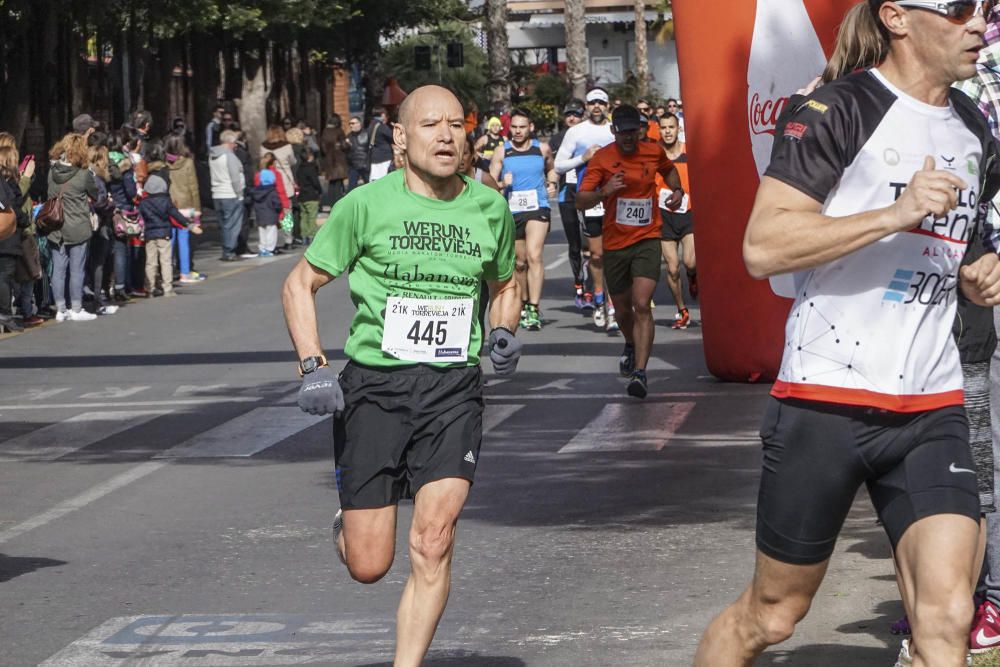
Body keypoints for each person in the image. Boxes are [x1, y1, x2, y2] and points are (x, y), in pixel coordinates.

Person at [694, 3, 1000, 665]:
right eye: (958, 9)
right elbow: (763, 246)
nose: (979, 24)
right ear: (896, 17)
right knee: (773, 616)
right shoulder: (837, 111)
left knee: (947, 616)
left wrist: (979, 269)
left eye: (986, 9)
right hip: (823, 400)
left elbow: (960, 243)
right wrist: (896, 210)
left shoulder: (976, 126)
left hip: (930, 405)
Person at [282, 84, 522, 667]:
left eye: (456, 126)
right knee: (369, 565)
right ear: (401, 137)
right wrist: (314, 365)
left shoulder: (489, 207)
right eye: (430, 125)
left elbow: (505, 283)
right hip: (376, 389)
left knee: (434, 540)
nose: (445, 135)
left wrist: (504, 329)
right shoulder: (364, 205)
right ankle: (350, 517)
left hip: (452, 391)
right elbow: (299, 284)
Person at [576, 105, 682, 399]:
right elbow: (580, 201)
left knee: (641, 303)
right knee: (622, 309)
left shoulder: (652, 151)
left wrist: (678, 190)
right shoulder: (602, 159)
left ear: (640, 130)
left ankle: (640, 372)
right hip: (615, 244)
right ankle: (631, 342)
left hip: (647, 237)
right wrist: (604, 191)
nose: (627, 137)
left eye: (632, 131)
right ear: (614, 132)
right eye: (622, 132)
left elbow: (669, 170)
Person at [490, 108, 558, 331]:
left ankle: (534, 308)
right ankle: (523, 302)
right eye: (514, 127)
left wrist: (552, 183)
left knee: (534, 255)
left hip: (538, 206)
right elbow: (490, 183)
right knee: (519, 264)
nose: (518, 131)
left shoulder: (542, 149)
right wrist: (502, 184)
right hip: (512, 209)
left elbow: (552, 169)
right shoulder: (503, 151)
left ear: (531, 127)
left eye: (522, 127)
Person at [555, 87, 617, 331]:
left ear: (607, 106)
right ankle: (599, 295)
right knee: (597, 255)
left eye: (601, 102)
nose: (597, 107)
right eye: (593, 103)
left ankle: (613, 304)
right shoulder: (576, 132)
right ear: (587, 107)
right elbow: (559, 165)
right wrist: (583, 159)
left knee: (613, 253)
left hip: (615, 196)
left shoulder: (615, 130)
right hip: (589, 197)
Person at [48, 133, 99, 322]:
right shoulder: (84, 174)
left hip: (56, 227)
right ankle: (76, 308)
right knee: (77, 269)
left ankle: (60, 309)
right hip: (78, 226)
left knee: (58, 269)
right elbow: (95, 194)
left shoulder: (51, 172)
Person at [657, 113, 697, 329]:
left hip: (689, 213)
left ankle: (692, 276)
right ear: (659, 130)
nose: (668, 131)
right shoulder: (654, 154)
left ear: (677, 128)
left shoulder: (689, 151)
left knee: (690, 262)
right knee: (672, 268)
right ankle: (682, 310)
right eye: (663, 127)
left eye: (671, 127)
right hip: (663, 217)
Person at [549, 99, 589, 309]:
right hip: (567, 196)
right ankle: (579, 285)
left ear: (583, 116)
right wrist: (551, 182)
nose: (572, 118)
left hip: (590, 194)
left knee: (591, 245)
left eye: (576, 114)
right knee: (574, 245)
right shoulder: (556, 140)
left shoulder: (589, 135)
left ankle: (594, 284)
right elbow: (552, 167)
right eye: (569, 114)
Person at [139, 174, 189, 298]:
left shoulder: (144, 203)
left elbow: (141, 218)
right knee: (166, 261)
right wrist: (187, 223)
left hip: (150, 234)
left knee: (151, 262)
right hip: (164, 234)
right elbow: (175, 214)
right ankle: (168, 287)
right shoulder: (166, 201)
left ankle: (150, 287)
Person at [165, 134, 204, 284]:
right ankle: (185, 272)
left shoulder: (163, 163)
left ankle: (167, 272)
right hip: (186, 204)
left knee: (169, 241)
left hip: (169, 203)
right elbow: (193, 187)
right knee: (184, 239)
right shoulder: (187, 163)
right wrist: (197, 208)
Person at [209, 130, 246, 262]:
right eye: (235, 143)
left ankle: (226, 249)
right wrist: (239, 193)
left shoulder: (213, 155)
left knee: (224, 225)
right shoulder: (229, 156)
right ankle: (229, 250)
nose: (236, 145)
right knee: (232, 224)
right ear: (230, 142)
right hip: (230, 193)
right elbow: (235, 177)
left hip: (217, 193)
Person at [261, 125, 298, 249]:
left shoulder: (263, 147)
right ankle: (288, 239)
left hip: (269, 183)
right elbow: (293, 161)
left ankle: (272, 242)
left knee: (272, 212)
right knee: (287, 213)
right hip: (285, 183)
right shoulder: (287, 147)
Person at [320, 114, 349, 210]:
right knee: (338, 184)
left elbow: (323, 148)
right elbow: (344, 145)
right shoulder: (339, 131)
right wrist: (347, 145)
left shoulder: (325, 131)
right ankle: (338, 204)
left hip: (329, 160)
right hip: (338, 160)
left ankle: (332, 204)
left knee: (331, 184)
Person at [252, 169, 283, 257]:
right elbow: (277, 204)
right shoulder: (272, 191)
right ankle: (269, 249)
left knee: (262, 233)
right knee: (271, 233)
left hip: (260, 216)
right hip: (271, 216)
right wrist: (278, 210)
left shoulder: (256, 191)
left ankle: (262, 248)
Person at [295, 147, 323, 245]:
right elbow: (315, 182)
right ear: (309, 157)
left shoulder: (299, 168)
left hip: (302, 196)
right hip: (311, 195)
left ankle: (304, 235)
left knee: (304, 216)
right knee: (312, 216)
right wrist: (320, 190)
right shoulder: (311, 168)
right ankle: (312, 235)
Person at [366, 106, 395, 182]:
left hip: (375, 156)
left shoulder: (371, 125)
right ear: (382, 114)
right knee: (385, 180)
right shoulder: (381, 126)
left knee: (376, 180)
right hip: (384, 157)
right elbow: (393, 137)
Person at [345, 116, 369, 191]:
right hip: (353, 165)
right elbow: (347, 152)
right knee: (351, 188)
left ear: (359, 124)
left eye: (353, 123)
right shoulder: (349, 136)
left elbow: (370, 149)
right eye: (350, 123)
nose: (351, 125)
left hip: (365, 164)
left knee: (369, 186)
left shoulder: (367, 134)